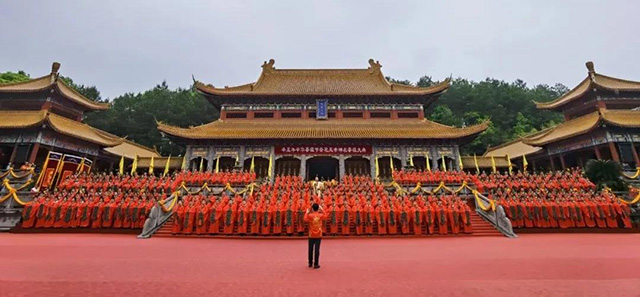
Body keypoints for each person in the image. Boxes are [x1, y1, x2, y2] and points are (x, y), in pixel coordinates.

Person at [304, 203, 325, 269]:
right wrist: (322, 209)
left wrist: (307, 212)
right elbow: (326, 215)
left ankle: (310, 263)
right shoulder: (320, 215)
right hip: (318, 234)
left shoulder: (310, 215)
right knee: (317, 250)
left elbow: (305, 219)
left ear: (312, 208)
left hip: (311, 234)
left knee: (310, 249)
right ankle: (316, 264)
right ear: (318, 208)